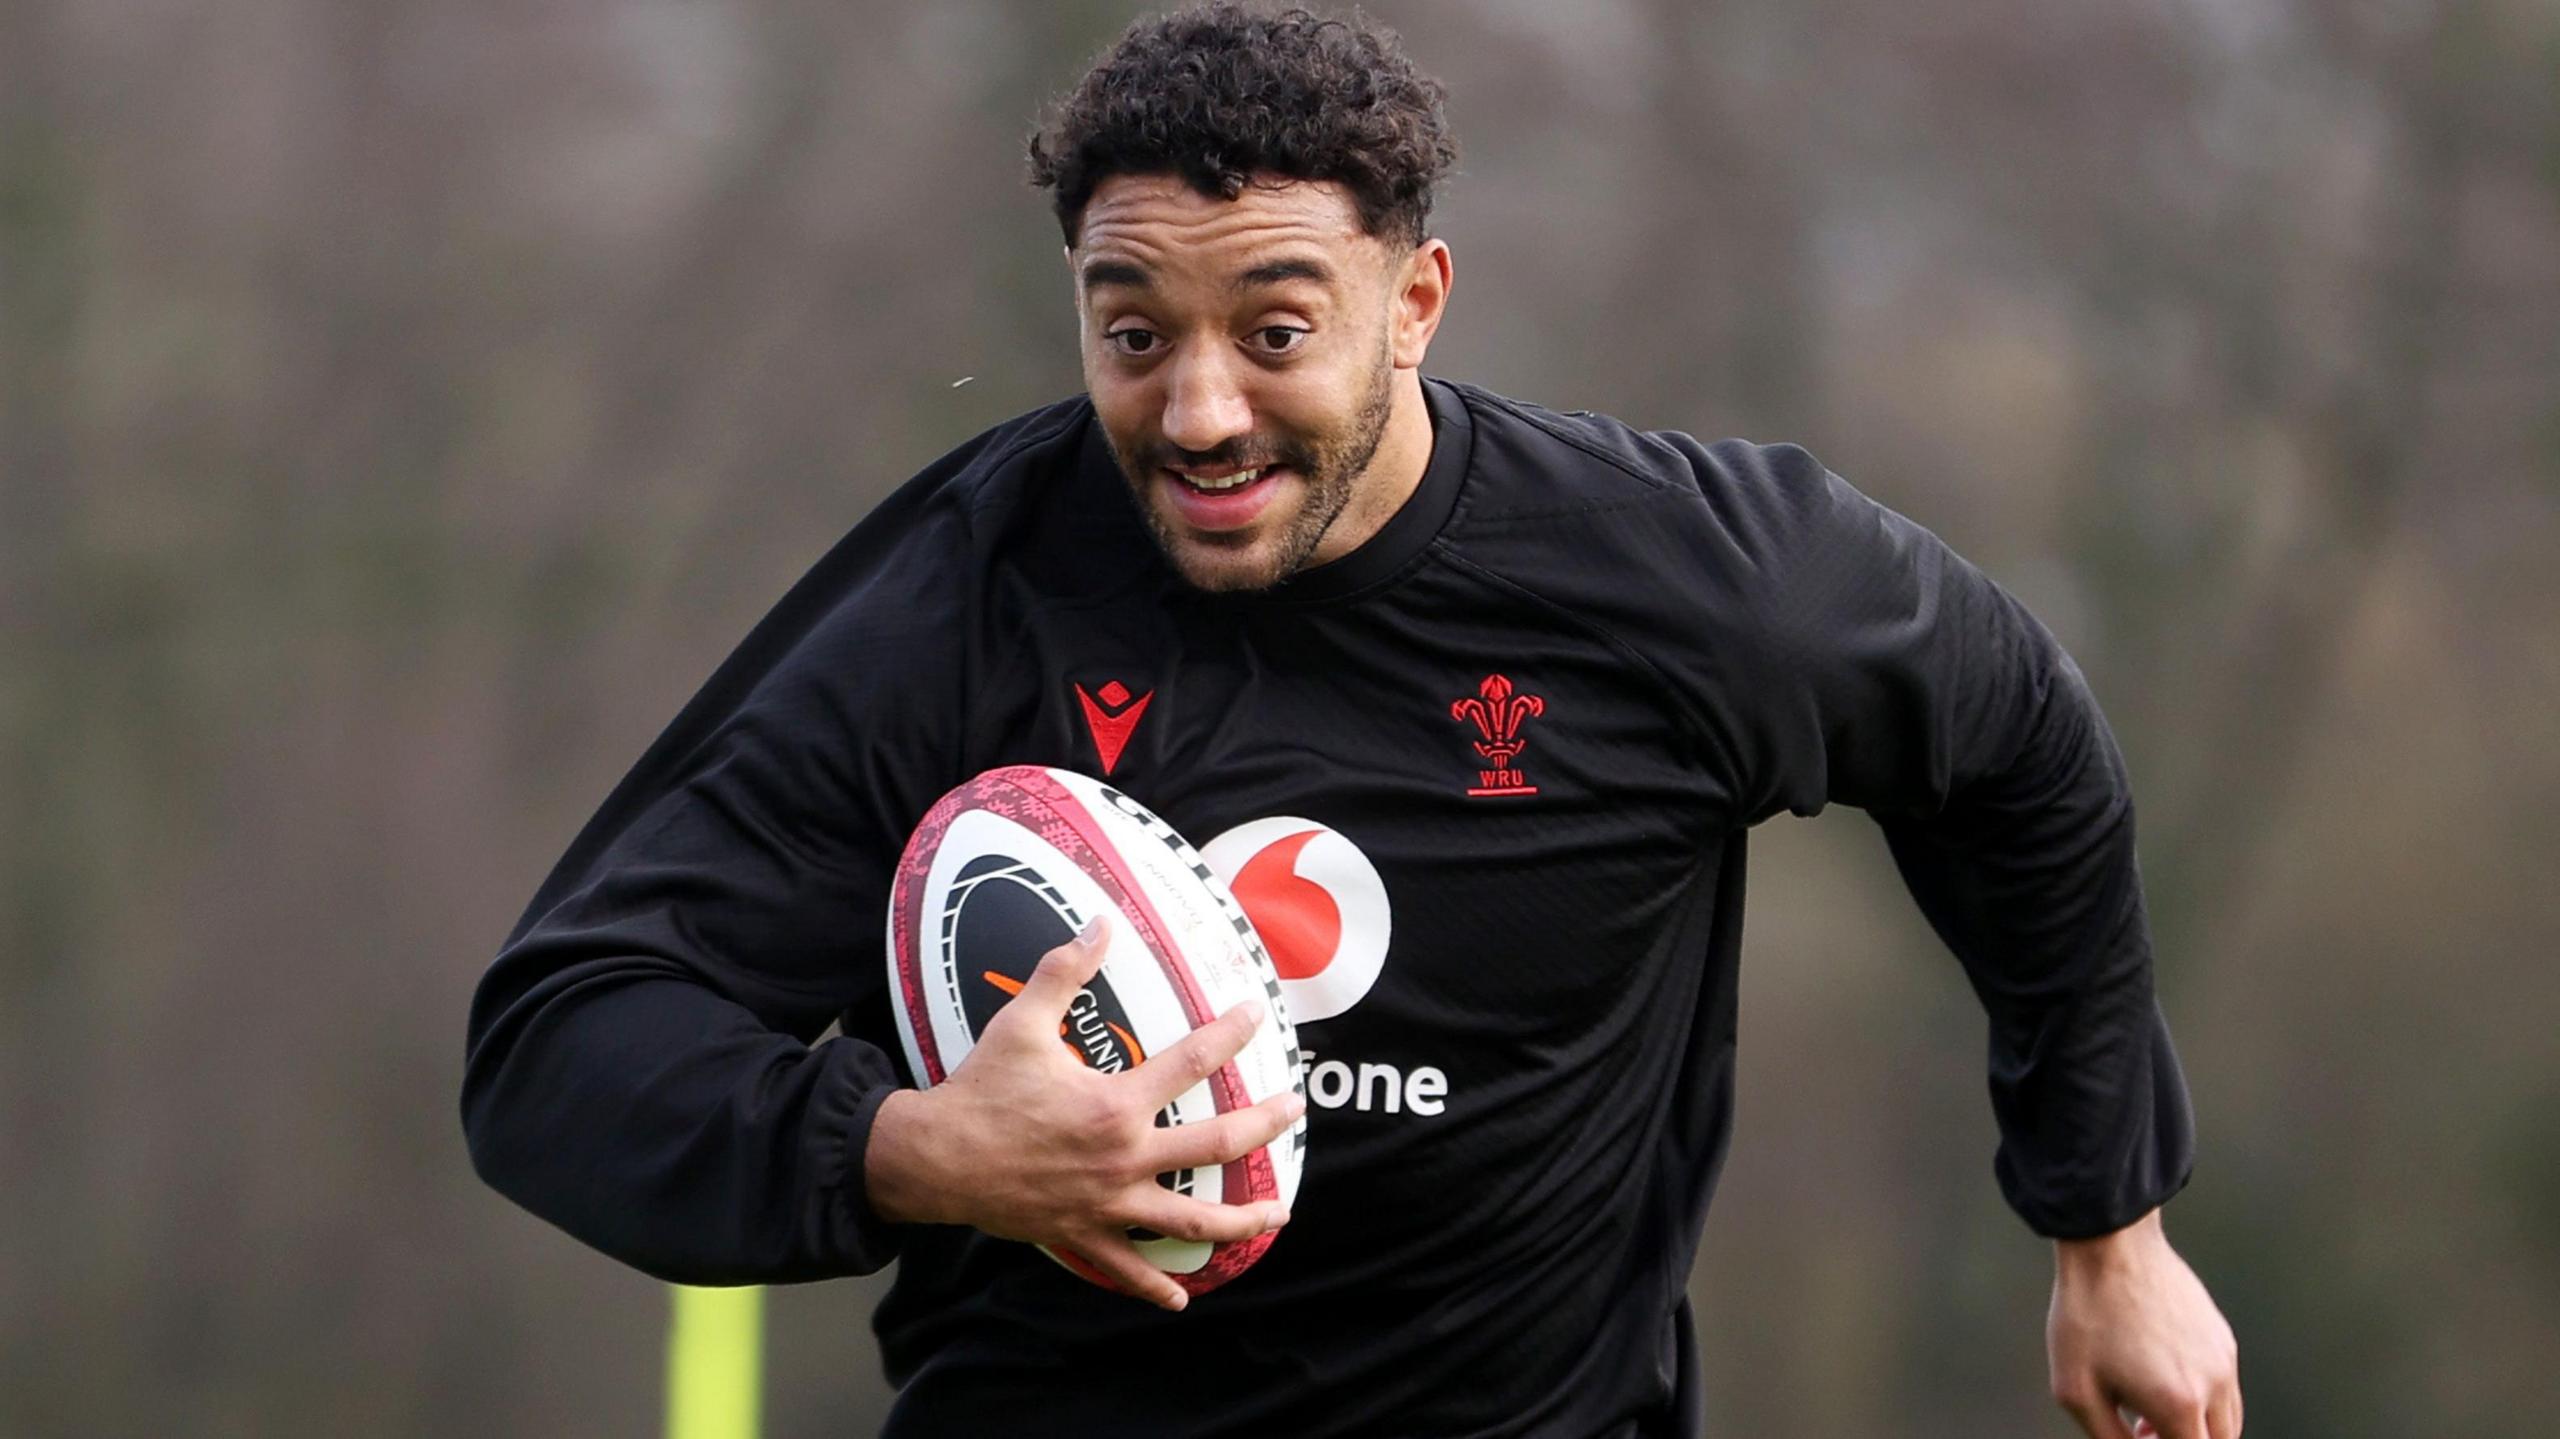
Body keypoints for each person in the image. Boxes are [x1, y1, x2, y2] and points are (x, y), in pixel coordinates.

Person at [462, 6, 2242, 1436]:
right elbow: (558, 1047)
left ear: (1418, 303)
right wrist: (916, 1149)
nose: (1200, 408)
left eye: (1277, 328)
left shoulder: (1692, 582)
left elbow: (2015, 748)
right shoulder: (970, 593)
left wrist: (2112, 1228)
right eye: (1133, 331)